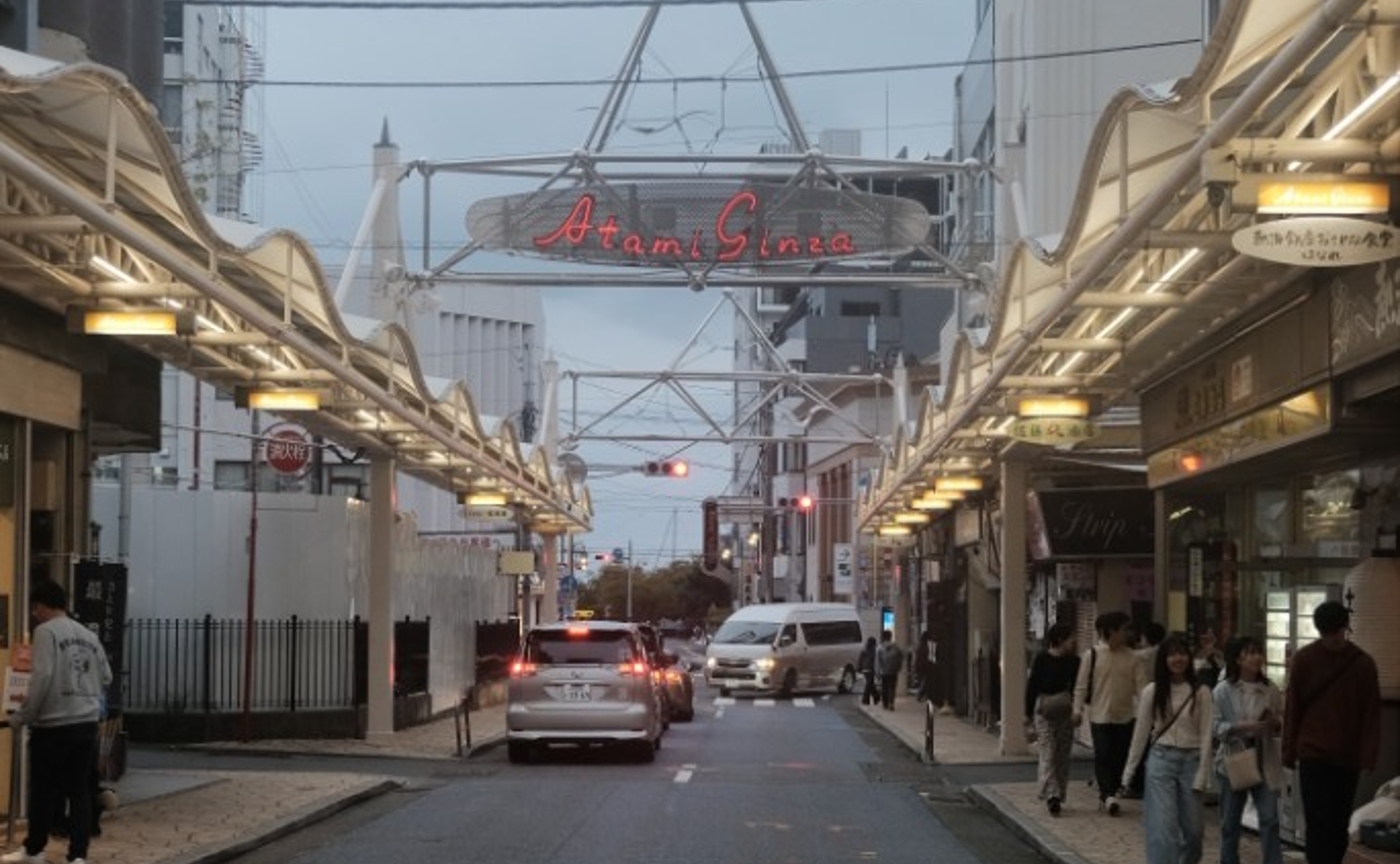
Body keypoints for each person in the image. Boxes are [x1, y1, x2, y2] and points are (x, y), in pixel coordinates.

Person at [3, 579, 113, 864]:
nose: (34, 614)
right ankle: (78, 856)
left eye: (35, 608)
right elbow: (107, 676)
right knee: (79, 792)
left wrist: (22, 717)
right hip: (86, 725)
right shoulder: (88, 635)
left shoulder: (46, 632)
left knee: (43, 790)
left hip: (53, 726)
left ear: (42, 605)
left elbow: (42, 677)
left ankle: (35, 850)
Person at [1282, 600, 1382, 864]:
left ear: (1345, 627)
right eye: (1327, 633)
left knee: (1339, 823)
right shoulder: (1304, 659)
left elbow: (1371, 713)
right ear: (1320, 631)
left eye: (1336, 632)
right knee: (1317, 822)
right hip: (1313, 754)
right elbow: (1293, 708)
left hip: (1347, 756)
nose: (1333, 639)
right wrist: (1288, 751)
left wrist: (1368, 755)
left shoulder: (1362, 664)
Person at [1121, 633, 1213, 864]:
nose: (1177, 659)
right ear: (1163, 659)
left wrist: (1203, 774)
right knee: (1163, 831)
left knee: (1194, 832)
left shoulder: (1201, 692)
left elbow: (1207, 735)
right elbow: (1140, 734)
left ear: (1189, 657)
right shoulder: (1152, 691)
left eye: (1182, 653)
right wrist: (1128, 773)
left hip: (1192, 762)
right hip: (1161, 761)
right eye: (1172, 654)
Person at [1212, 635, 1284, 864]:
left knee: (1270, 819)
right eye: (1250, 653)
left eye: (1258, 652)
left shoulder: (1270, 688)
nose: (1257, 657)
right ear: (1237, 659)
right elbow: (1214, 727)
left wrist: (1275, 723)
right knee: (1230, 822)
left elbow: (1281, 722)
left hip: (1264, 757)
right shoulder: (1223, 690)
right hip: (1235, 759)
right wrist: (1239, 727)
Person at [1073, 610, 1147, 816]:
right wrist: (1076, 710)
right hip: (1099, 715)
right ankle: (1108, 795)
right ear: (1110, 631)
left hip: (1126, 716)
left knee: (1120, 756)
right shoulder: (1092, 655)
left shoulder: (1133, 658)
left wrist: (1146, 713)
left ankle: (1111, 792)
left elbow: (1142, 689)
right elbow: (1081, 686)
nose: (1128, 633)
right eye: (1124, 629)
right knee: (1103, 754)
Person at [1025, 621, 1080, 816]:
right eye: (1070, 637)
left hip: (1065, 712)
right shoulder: (1041, 659)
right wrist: (1027, 714)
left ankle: (1058, 793)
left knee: (1062, 755)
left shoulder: (1075, 662)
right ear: (1060, 639)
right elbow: (1032, 686)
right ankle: (1052, 795)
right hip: (1044, 712)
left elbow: (1080, 688)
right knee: (1048, 752)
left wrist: (1079, 709)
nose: (1073, 641)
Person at [875, 630, 903, 710]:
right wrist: (899, 667)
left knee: (885, 687)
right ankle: (891, 703)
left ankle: (885, 703)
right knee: (892, 688)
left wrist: (878, 672)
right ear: (890, 637)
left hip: (884, 671)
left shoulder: (879, 648)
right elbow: (901, 657)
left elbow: (877, 662)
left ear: (883, 637)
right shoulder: (896, 647)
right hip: (893, 671)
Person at [913, 630, 937, 702]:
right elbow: (924, 657)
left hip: (921, 666)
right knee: (924, 681)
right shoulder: (924, 646)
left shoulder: (920, 645)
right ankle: (920, 695)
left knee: (923, 681)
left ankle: (922, 695)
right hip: (924, 666)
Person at [857, 636, 878, 706]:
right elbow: (875, 661)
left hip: (864, 669)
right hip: (871, 669)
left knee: (870, 684)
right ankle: (866, 699)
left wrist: (859, 667)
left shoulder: (864, 650)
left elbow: (860, 660)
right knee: (869, 684)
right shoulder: (874, 650)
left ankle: (876, 697)